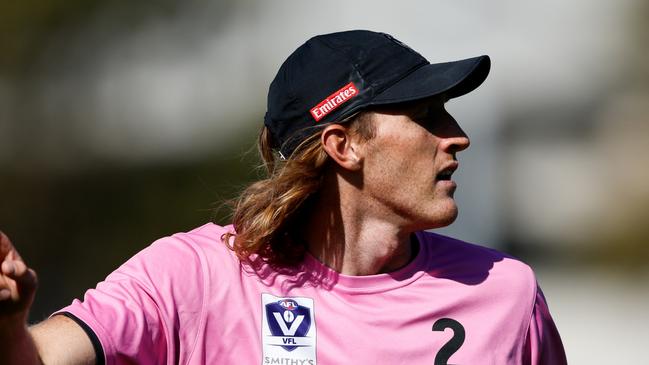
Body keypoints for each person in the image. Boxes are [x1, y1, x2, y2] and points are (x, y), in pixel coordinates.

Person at [0, 30, 567, 364]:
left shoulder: (506, 293)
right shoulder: (194, 277)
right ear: (343, 145)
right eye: (425, 115)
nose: (457, 135)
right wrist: (8, 322)